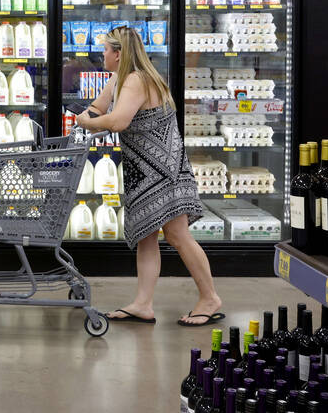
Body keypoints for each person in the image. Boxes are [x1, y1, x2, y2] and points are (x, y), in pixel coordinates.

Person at [75, 26, 223, 327]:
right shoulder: (120, 78)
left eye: (105, 49)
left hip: (163, 171)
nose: (101, 54)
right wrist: (87, 115)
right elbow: (99, 107)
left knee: (177, 235)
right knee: (146, 236)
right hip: (144, 170)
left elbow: (117, 120)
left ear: (118, 54)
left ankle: (210, 298)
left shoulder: (136, 81)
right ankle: (143, 304)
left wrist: (86, 123)